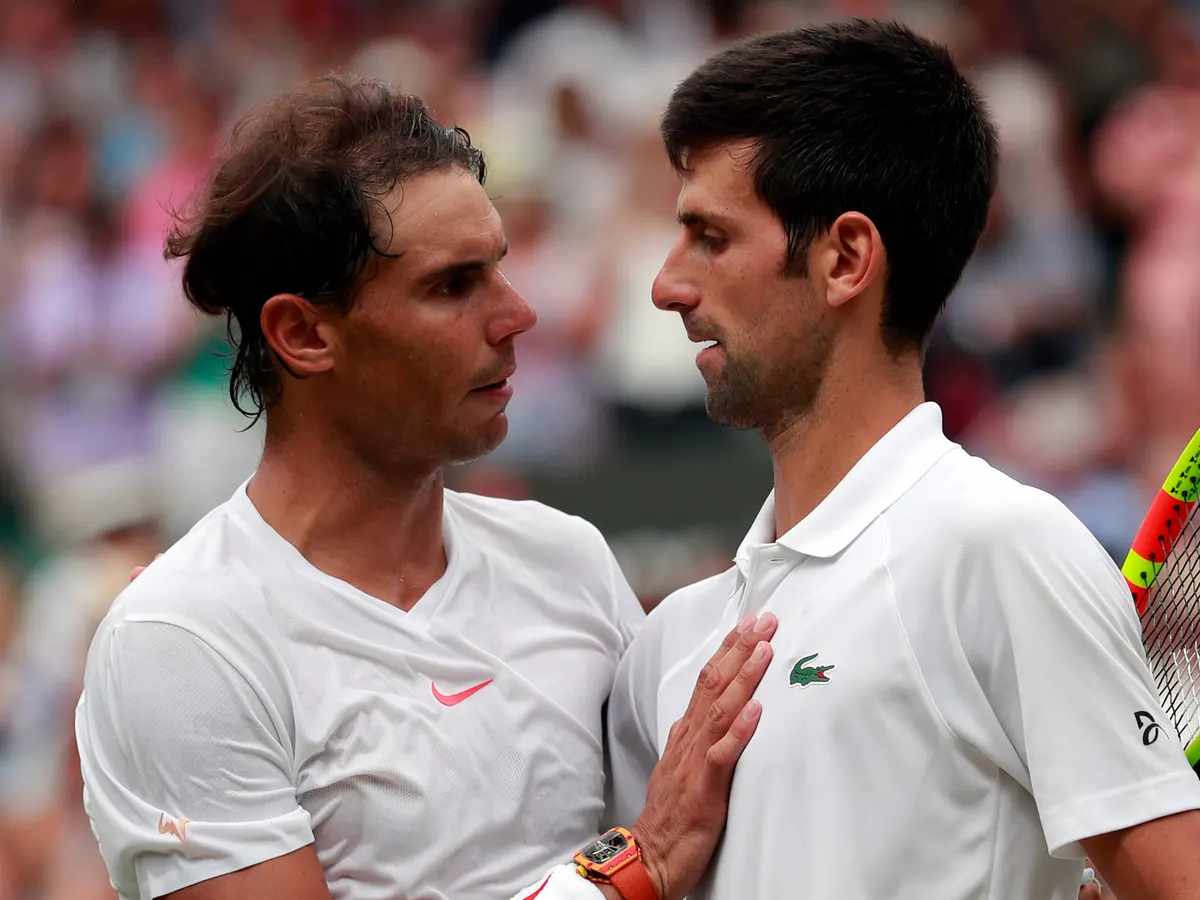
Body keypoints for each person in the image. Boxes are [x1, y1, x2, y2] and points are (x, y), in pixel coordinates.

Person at [74, 76, 775, 900]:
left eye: (501, 270)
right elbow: (657, 846)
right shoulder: (181, 638)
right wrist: (635, 869)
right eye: (453, 285)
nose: (517, 315)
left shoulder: (568, 559)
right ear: (302, 334)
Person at [606, 19, 1200, 900]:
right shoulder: (667, 646)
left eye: (712, 237)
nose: (667, 284)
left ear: (846, 257)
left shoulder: (999, 549)